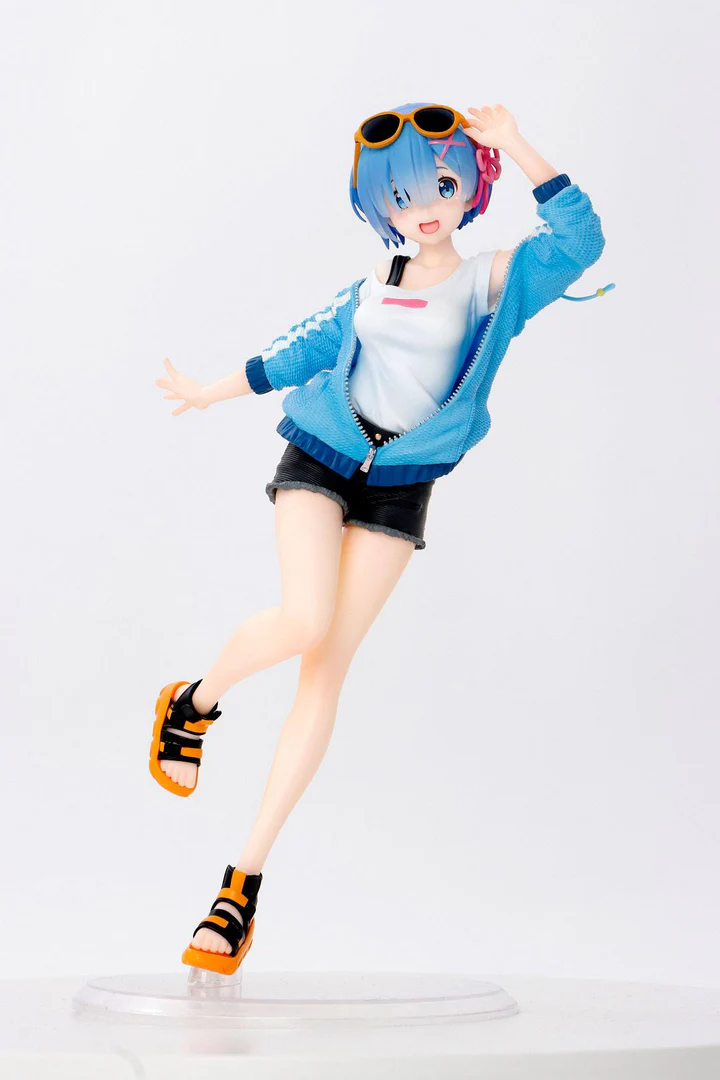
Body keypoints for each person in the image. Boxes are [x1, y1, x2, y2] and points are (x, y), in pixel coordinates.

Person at [150, 102, 610, 975]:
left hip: (402, 485)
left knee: (326, 669)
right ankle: (195, 702)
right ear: (378, 206)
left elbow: (580, 242)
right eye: (400, 196)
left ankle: (240, 886)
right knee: (303, 620)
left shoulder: (495, 281)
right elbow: (301, 350)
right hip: (321, 454)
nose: (423, 208)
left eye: (440, 185)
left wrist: (515, 144)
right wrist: (214, 390)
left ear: (470, 185)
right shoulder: (372, 284)